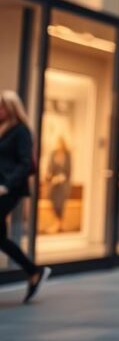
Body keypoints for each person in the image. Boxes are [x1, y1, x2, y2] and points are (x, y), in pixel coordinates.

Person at [0, 90, 52, 303]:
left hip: (9, 190)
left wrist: (7, 185)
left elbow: (26, 164)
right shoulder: (4, 130)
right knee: (0, 238)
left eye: (1, 107)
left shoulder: (21, 131)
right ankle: (33, 271)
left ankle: (34, 271)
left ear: (10, 108)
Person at [46, 137, 72, 233]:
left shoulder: (67, 154)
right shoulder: (53, 154)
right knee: (53, 203)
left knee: (61, 204)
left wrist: (61, 178)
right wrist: (51, 177)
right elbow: (49, 168)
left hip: (63, 184)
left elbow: (69, 170)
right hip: (53, 184)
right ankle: (57, 223)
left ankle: (59, 224)